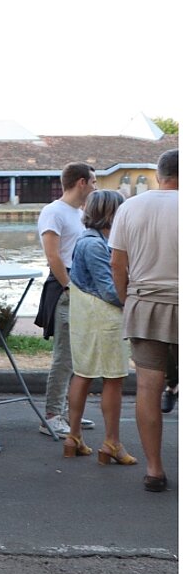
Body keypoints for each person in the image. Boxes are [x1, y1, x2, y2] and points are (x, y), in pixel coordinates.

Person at [110, 148, 178, 493]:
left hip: (146, 304)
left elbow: (117, 264)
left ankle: (154, 470)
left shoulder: (131, 206)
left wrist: (127, 300)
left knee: (147, 389)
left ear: (158, 174)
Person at [63, 190, 134, 463]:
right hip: (103, 320)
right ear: (111, 213)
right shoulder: (95, 245)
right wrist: (133, 300)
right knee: (113, 379)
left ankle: (74, 437)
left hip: (86, 318)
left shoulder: (87, 240)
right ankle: (111, 443)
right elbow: (109, 290)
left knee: (83, 373)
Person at [37, 162, 98, 438]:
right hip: (66, 289)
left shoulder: (79, 213)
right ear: (82, 182)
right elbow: (54, 255)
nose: (96, 187)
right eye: (94, 182)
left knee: (78, 356)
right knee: (64, 357)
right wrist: (69, 287)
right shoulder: (54, 211)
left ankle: (69, 411)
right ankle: (51, 415)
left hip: (81, 287)